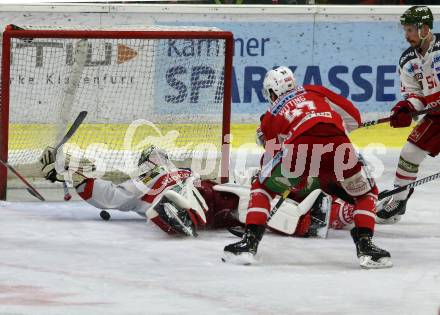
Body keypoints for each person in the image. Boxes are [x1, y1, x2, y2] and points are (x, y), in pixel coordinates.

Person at [222, 66, 392, 269]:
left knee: (261, 188)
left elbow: (270, 158)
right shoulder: (315, 90)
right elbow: (354, 118)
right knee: (366, 193)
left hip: (299, 149)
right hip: (338, 144)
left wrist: (275, 182)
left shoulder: (271, 115)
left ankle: (249, 244)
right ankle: (366, 247)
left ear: (272, 92)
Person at [38, 144, 360, 239]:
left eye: (158, 155)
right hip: (186, 205)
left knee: (252, 198)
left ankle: (323, 215)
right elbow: (110, 196)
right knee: (166, 202)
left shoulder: (184, 171)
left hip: (212, 197)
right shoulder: (141, 183)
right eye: (153, 156)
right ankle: (178, 215)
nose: (158, 157)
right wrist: (74, 177)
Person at [376, 5, 440, 224]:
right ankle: (399, 199)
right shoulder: (407, 61)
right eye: (405, 30)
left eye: (411, 30)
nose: (407, 35)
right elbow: (415, 94)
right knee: (409, 152)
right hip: (437, 116)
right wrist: (406, 109)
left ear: (424, 28)